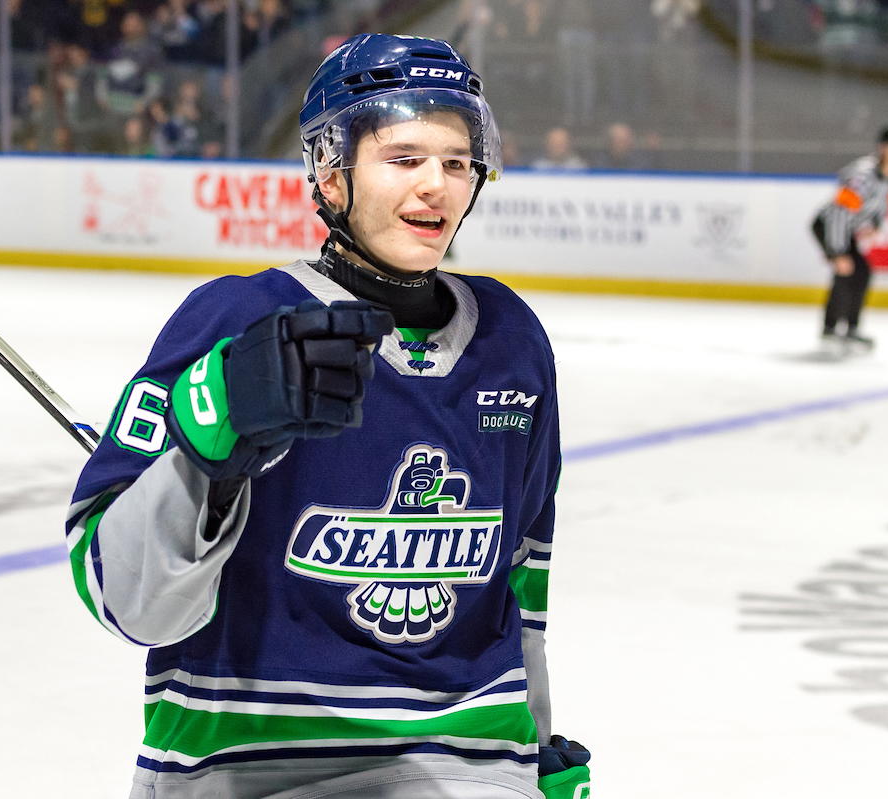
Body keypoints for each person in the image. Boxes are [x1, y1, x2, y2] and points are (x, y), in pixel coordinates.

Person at [65, 33, 590, 799]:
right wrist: (205, 453)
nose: (437, 185)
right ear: (332, 172)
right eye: (404, 158)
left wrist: (535, 746)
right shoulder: (237, 319)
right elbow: (121, 596)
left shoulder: (512, 341)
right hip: (245, 767)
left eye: (456, 160)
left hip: (465, 765)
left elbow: (520, 581)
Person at [811, 121, 888, 351]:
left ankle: (844, 328)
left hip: (845, 228)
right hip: (829, 226)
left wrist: (876, 223)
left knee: (858, 272)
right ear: (884, 149)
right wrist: (836, 252)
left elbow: (884, 201)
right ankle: (835, 328)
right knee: (849, 271)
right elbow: (839, 213)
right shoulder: (862, 175)